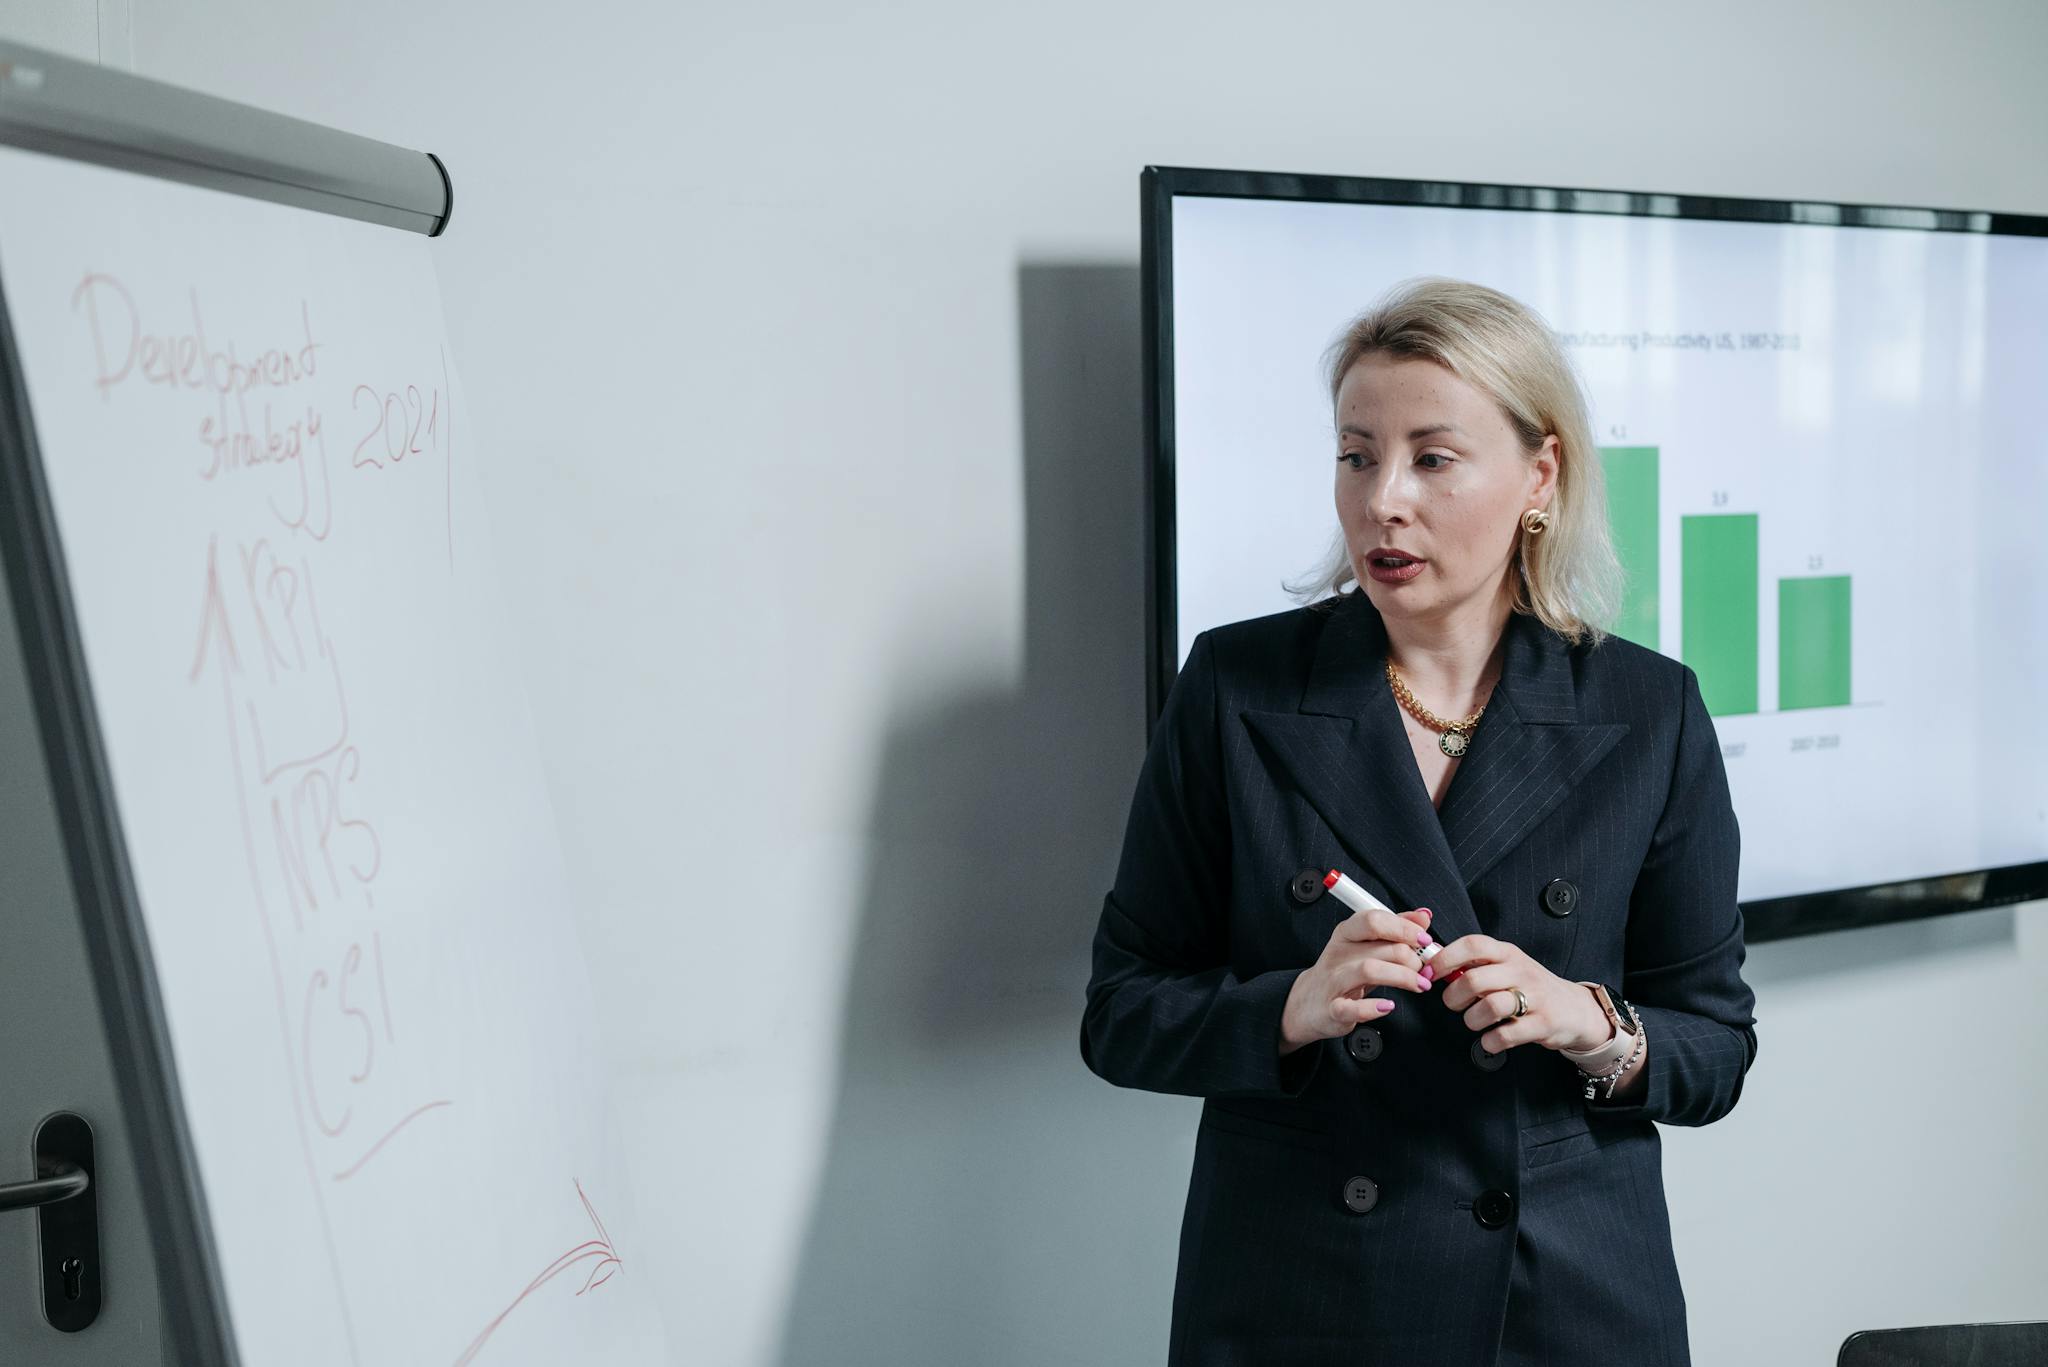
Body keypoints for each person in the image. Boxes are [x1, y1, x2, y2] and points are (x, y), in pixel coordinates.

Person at [1079, 276, 1760, 1366]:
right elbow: (1120, 1010)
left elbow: (1715, 1046)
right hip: (1302, 1295)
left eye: (1431, 458)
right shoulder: (1236, 685)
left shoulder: (1647, 708)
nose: (1380, 499)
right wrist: (1292, 1007)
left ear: (1538, 475)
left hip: (1565, 1298)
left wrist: (1586, 1018)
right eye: (1356, 455)